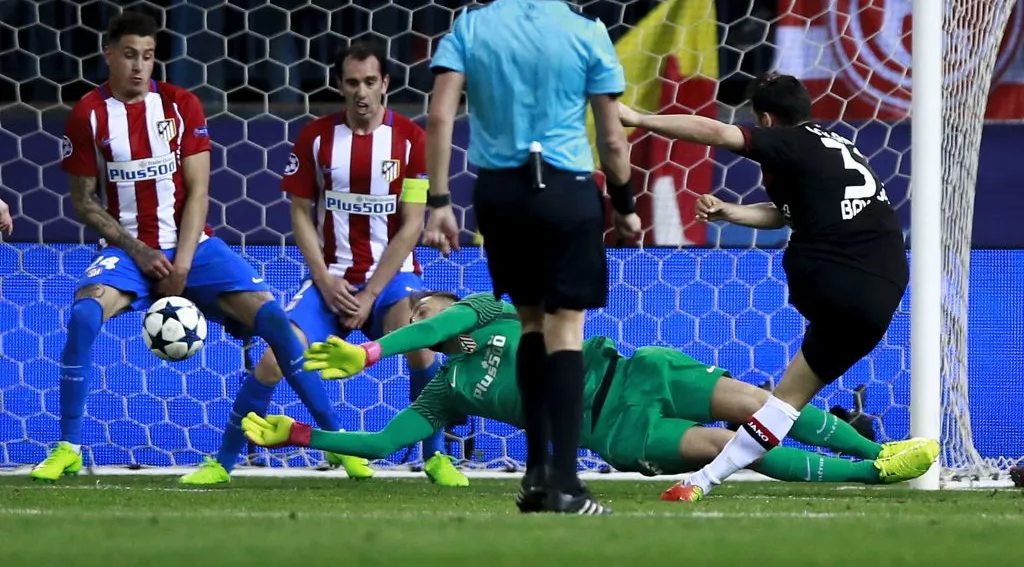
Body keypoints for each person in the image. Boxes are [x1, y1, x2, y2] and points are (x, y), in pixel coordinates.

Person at [31, 11, 339, 482]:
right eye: (130, 55)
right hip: (128, 252)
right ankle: (69, 447)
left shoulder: (181, 106)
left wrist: (182, 262)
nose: (139, 66)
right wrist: (138, 251)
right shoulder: (88, 115)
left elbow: (198, 192)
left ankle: (340, 443)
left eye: (149, 57)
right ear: (108, 54)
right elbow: (83, 202)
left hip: (193, 247)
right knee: (83, 314)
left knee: (275, 319)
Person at [241, 292, 938, 491]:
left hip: (636, 371)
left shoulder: (490, 312)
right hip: (612, 432)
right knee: (731, 447)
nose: (420, 321)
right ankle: (870, 475)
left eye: (423, 311)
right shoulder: (446, 394)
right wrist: (301, 436)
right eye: (411, 319)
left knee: (763, 405)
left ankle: (880, 452)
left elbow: (452, 318)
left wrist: (368, 347)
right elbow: (383, 441)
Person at [420, 0, 640, 515]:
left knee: (532, 325)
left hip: (500, 194)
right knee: (567, 328)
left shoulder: (472, 24)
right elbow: (613, 136)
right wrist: (624, 207)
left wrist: (439, 202)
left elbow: (440, 115)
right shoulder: (588, 31)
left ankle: (536, 472)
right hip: (565, 190)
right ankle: (566, 483)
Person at [616, 73, 922, 502]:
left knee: (798, 277)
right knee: (783, 403)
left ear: (764, 118)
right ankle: (699, 482)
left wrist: (637, 118)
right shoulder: (832, 145)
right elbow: (786, 214)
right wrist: (730, 212)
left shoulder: (788, 141)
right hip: (882, 289)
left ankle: (706, 477)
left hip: (837, 280)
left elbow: (715, 131)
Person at [180, 38, 466, 487]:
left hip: (390, 283)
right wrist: (325, 279)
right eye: (352, 83)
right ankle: (224, 461)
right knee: (274, 358)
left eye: (370, 82)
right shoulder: (316, 138)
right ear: (339, 86)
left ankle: (435, 456)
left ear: (385, 84)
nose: (361, 92)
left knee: (420, 344)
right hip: (330, 282)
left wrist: (371, 292)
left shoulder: (411, 140)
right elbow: (300, 211)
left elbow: (412, 225)